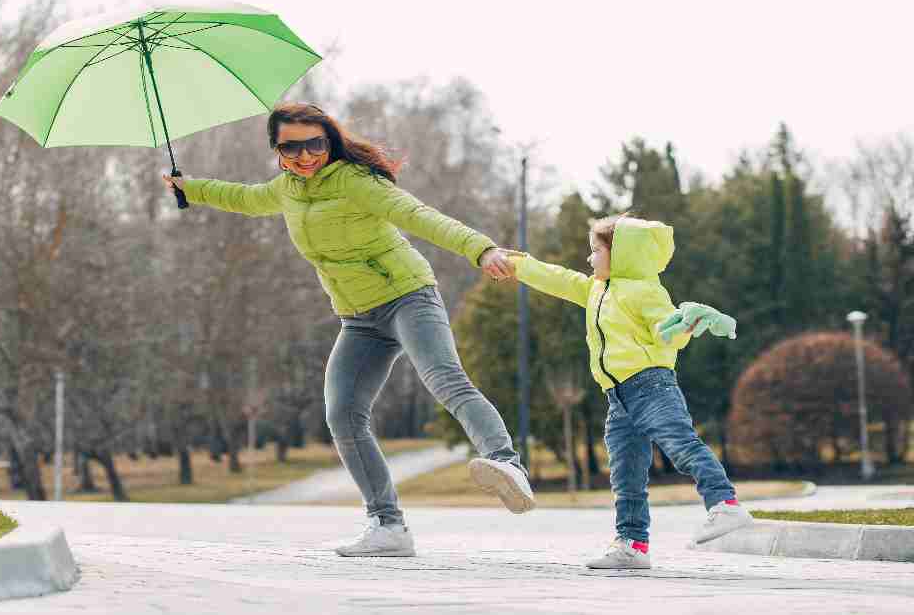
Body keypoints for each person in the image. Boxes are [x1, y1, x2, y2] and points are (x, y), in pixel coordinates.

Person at [163, 103, 534, 558]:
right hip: (358, 319)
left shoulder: (358, 182)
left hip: (407, 296)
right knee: (342, 414)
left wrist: (480, 249)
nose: (305, 156)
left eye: (314, 144)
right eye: (291, 147)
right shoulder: (286, 190)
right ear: (277, 150)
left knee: (444, 380)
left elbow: (420, 215)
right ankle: (387, 526)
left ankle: (506, 463)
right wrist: (190, 188)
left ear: (330, 141)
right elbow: (243, 197)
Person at [505, 214, 751, 570]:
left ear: (619, 254)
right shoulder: (594, 290)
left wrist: (682, 325)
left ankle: (725, 505)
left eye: (595, 251)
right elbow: (556, 278)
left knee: (682, 446)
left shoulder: (646, 291)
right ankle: (633, 544)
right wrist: (516, 264)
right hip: (618, 398)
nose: (589, 259)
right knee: (626, 475)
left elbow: (667, 331)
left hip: (651, 386)